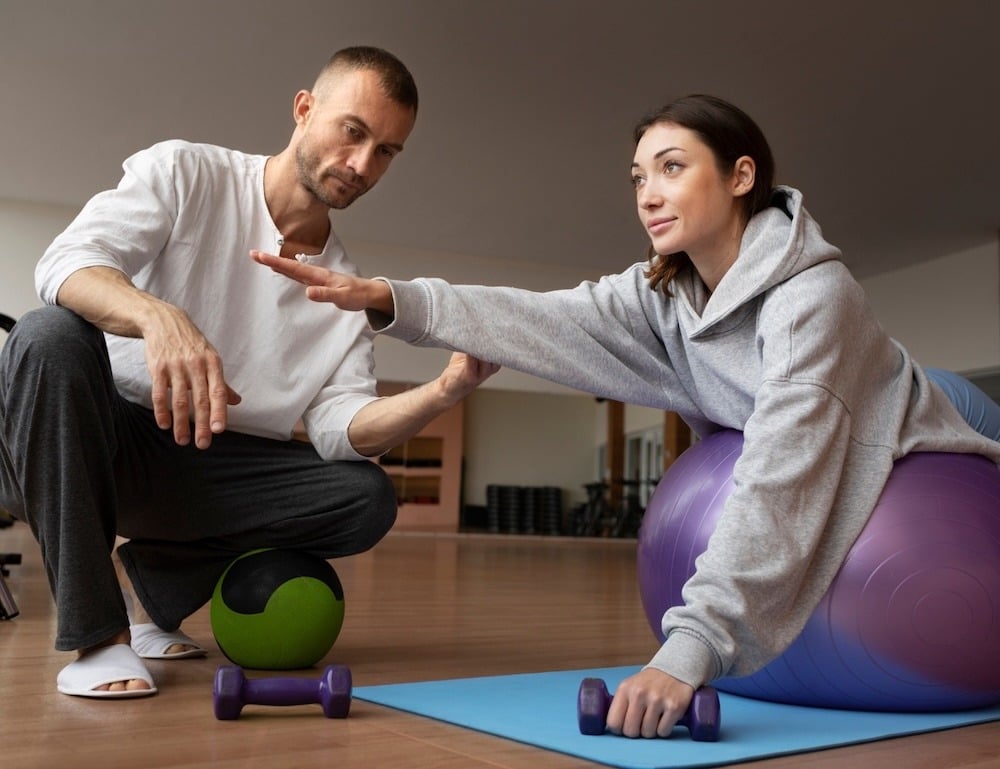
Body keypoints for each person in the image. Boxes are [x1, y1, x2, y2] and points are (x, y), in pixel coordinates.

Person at [252, 94, 1000, 737]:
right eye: (639, 175)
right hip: (863, 394)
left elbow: (783, 474)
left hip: (920, 418)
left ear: (742, 176)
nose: (647, 191)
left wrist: (691, 646)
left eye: (673, 167)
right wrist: (393, 298)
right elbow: (544, 317)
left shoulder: (813, 297)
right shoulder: (659, 294)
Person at [0, 46, 497, 699]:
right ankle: (98, 638)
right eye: (354, 131)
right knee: (49, 332)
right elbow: (64, 267)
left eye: (386, 151)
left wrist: (445, 389)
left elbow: (344, 429)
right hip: (68, 439)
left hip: (186, 463)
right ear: (303, 108)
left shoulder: (344, 291)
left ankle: (160, 581)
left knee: (365, 496)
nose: (362, 164)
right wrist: (158, 318)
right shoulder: (188, 173)